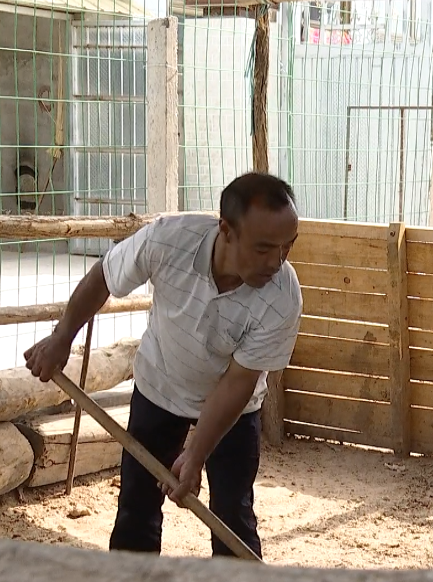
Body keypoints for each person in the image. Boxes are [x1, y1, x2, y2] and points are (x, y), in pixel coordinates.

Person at [23, 172, 303, 559]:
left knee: (232, 517)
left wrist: (197, 453)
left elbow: (239, 381)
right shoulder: (169, 240)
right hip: (161, 387)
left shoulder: (283, 295)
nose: (277, 261)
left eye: (287, 247)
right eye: (264, 249)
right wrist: (61, 339)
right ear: (226, 230)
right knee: (136, 508)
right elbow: (103, 277)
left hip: (234, 411)